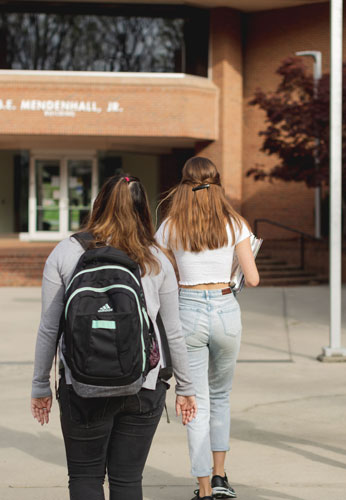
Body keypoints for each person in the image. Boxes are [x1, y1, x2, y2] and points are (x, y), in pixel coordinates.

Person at [31, 174, 197, 500]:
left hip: (81, 384)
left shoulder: (66, 252)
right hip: (143, 385)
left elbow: (49, 327)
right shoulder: (155, 257)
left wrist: (39, 386)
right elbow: (173, 331)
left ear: (98, 203)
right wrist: (186, 387)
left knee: (84, 477)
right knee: (127, 481)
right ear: (143, 209)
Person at [156, 156, 259, 500]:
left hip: (188, 310)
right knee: (220, 397)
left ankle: (202, 488)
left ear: (184, 184)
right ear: (217, 183)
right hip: (226, 308)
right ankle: (219, 477)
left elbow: (157, 271)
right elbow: (254, 278)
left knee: (193, 400)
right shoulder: (236, 224)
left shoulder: (171, 225)